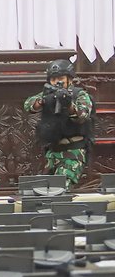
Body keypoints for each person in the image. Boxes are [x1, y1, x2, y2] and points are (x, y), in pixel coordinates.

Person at [24, 59, 95, 189]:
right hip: (52, 151)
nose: (57, 82)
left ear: (70, 79)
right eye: (53, 79)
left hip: (72, 151)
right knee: (41, 190)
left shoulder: (79, 95)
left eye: (61, 78)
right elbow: (28, 105)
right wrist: (42, 100)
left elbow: (82, 116)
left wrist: (68, 105)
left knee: (61, 189)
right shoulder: (47, 94)